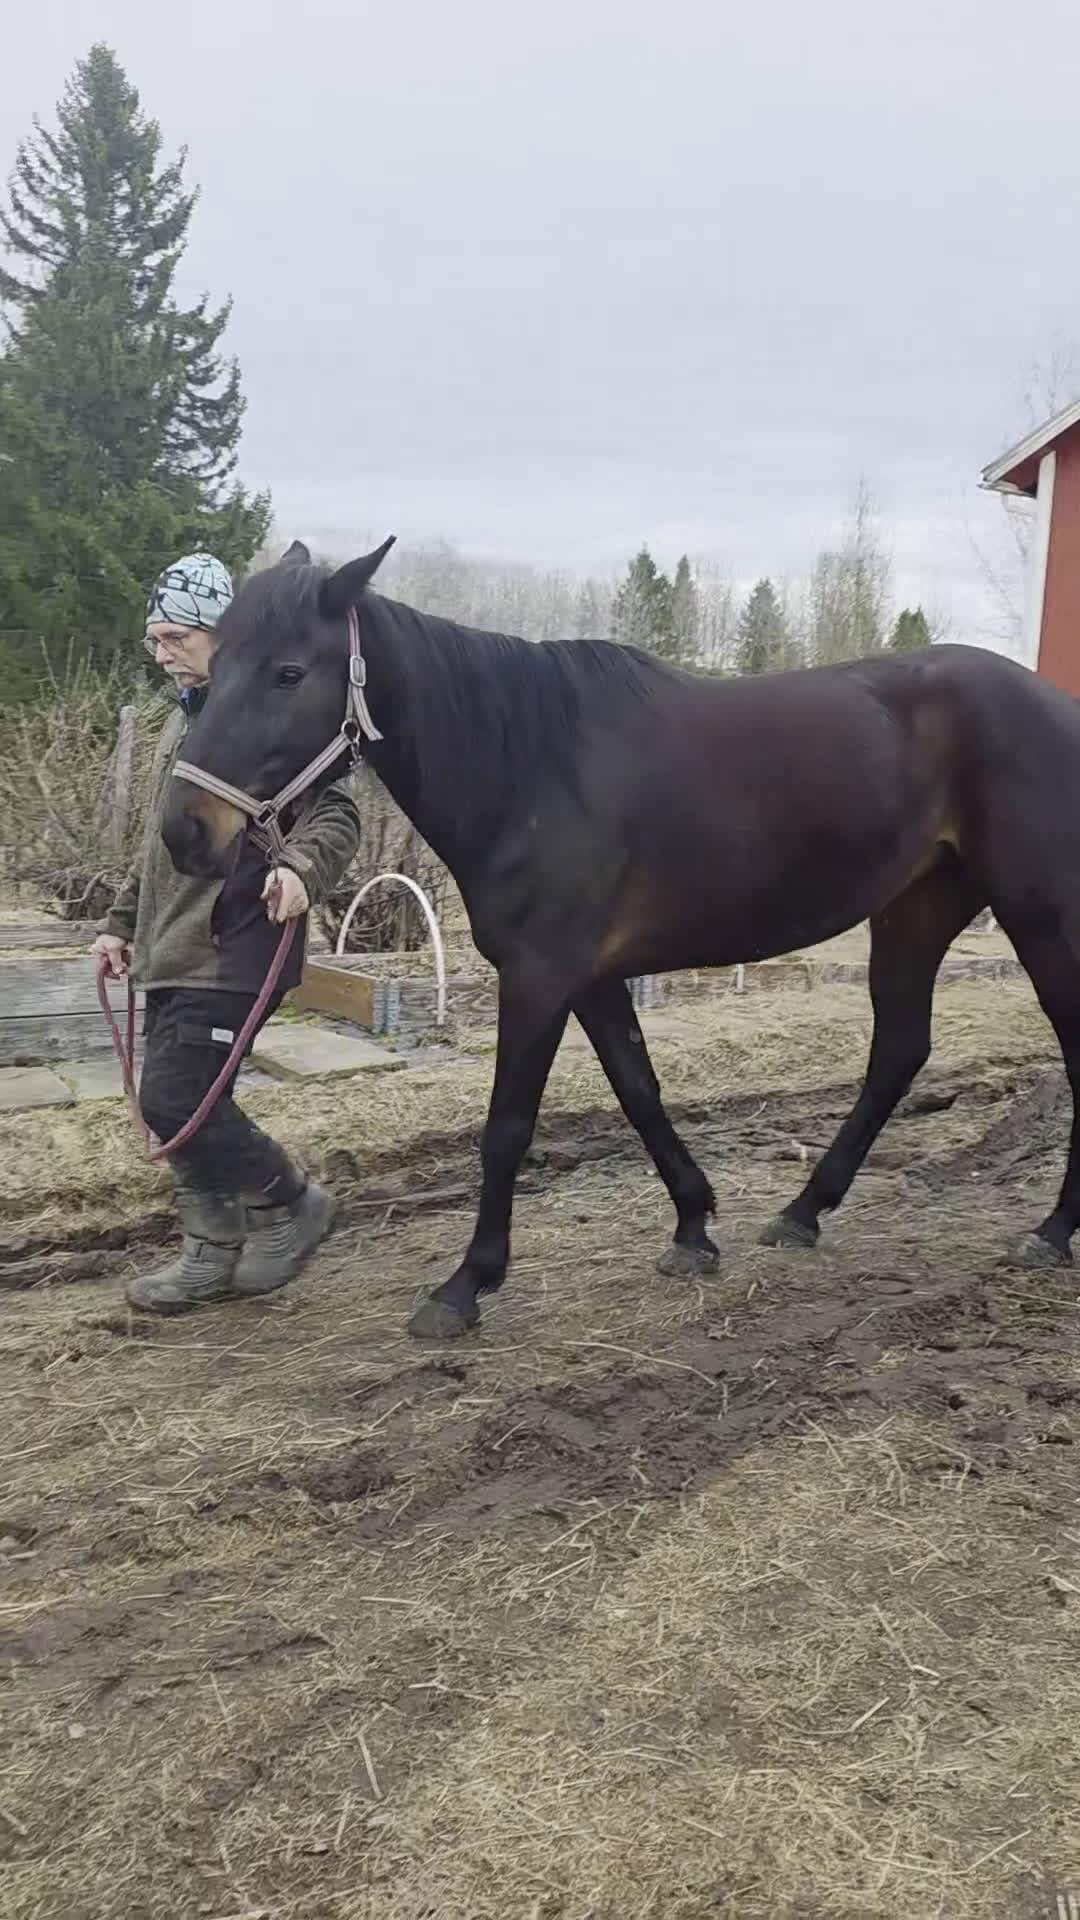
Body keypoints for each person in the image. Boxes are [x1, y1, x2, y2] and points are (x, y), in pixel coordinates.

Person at [91, 552, 362, 1314]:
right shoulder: (187, 725)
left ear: (223, 635)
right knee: (178, 1108)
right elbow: (157, 851)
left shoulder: (260, 718)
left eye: (176, 636)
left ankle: (294, 1202)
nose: (162, 653)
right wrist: (119, 926)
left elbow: (337, 811)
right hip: (169, 951)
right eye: (153, 641)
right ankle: (209, 1255)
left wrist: (303, 868)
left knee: (177, 1103)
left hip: (235, 946)